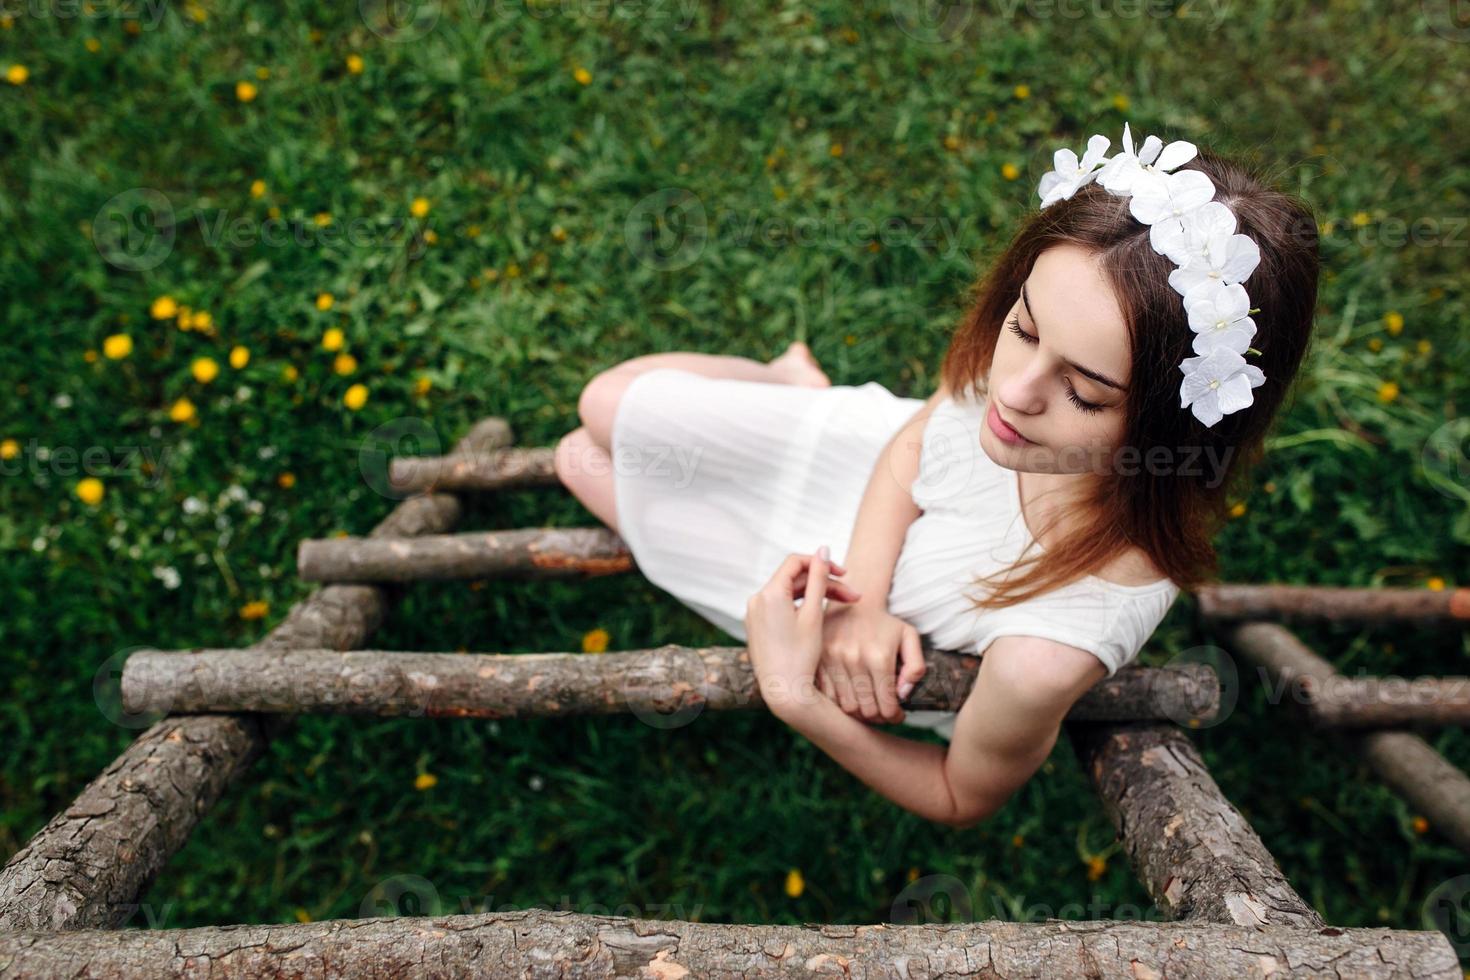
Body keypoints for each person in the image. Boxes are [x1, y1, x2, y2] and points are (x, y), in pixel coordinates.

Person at [555, 124, 1320, 828]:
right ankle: (788, 383)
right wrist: (863, 598)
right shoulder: (1022, 391)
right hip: (862, 499)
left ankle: (786, 403)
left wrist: (794, 698)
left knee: (577, 461)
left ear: (1171, 427)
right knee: (602, 404)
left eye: (1084, 392)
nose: (1012, 391)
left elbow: (960, 794)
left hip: (811, 578)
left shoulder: (1045, 655)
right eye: (1021, 327)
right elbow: (915, 445)